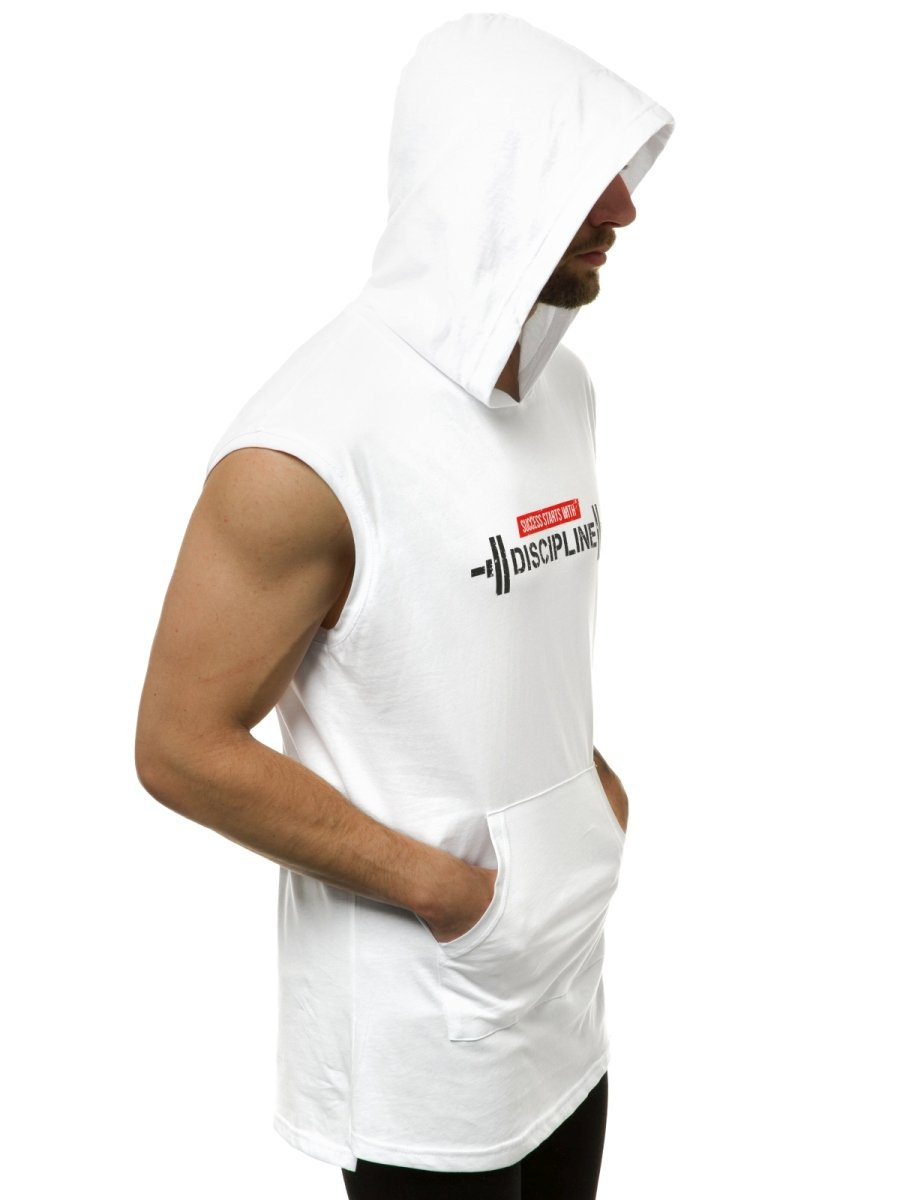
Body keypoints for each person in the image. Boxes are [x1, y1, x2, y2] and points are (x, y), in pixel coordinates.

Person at [135, 12, 674, 1198]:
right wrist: (452, 892)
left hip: (566, 981)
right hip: (423, 1014)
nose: (625, 210)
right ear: (490, 180)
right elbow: (179, 746)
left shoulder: (562, 391)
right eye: (586, 176)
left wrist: (586, 803)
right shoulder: (308, 450)